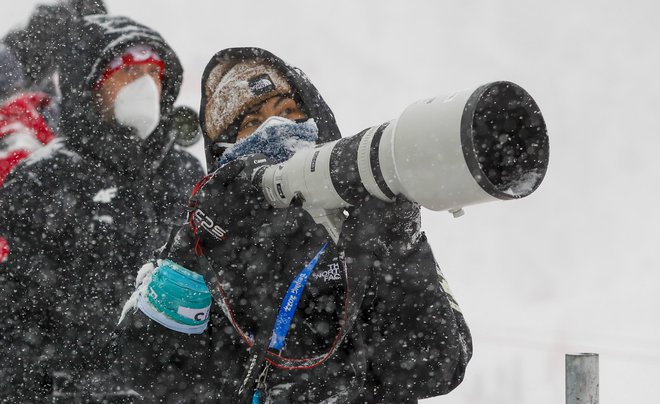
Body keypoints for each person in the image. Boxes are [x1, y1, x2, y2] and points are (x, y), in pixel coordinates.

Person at [119, 47, 472, 403]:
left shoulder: (362, 218)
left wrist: (402, 244)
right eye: (251, 123)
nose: (278, 128)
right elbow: (143, 369)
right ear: (224, 150)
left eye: (289, 111)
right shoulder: (207, 234)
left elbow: (439, 367)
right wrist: (193, 248)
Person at [0, 13, 204, 401]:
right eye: (128, 73)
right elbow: (15, 316)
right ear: (90, 87)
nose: (144, 86)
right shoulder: (42, 179)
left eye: (154, 73)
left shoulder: (185, 173)